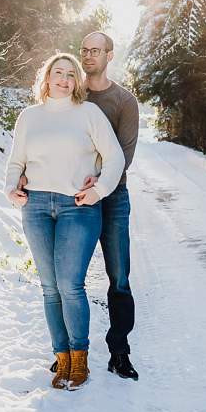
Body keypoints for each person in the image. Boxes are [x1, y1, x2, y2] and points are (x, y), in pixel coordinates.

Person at [20, 31, 141, 381]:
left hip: (111, 195)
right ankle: (69, 353)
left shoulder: (123, 100)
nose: (88, 56)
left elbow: (123, 154)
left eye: (96, 51)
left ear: (109, 55)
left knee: (118, 276)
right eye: (84, 50)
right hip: (73, 197)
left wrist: (98, 180)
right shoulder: (72, 93)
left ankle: (119, 351)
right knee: (64, 281)